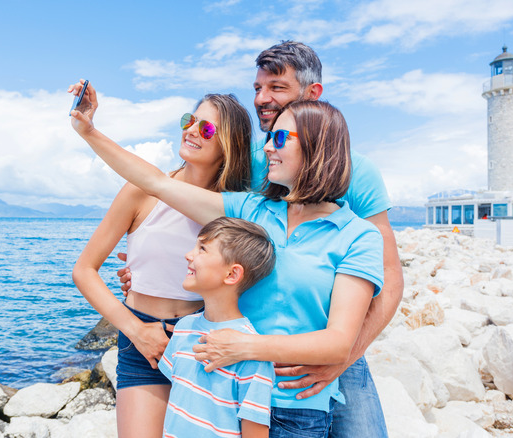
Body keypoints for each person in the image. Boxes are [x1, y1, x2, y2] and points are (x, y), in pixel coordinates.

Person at [117, 41, 403, 437]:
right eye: (257, 88)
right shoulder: (244, 157)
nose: (263, 100)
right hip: (234, 351)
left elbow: (389, 279)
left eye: (277, 88)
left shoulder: (355, 173)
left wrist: (344, 357)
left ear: (312, 94)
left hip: (312, 348)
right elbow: (184, 199)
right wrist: (150, 266)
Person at [69, 80, 253, 438]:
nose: (192, 131)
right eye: (189, 120)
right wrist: (136, 330)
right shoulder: (141, 191)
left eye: (207, 128)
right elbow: (84, 270)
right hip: (141, 339)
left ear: (229, 146)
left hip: (202, 341)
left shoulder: (231, 209)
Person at [158, 217, 276, 438]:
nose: (188, 255)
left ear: (232, 274)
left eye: (202, 249)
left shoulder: (253, 353)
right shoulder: (183, 327)